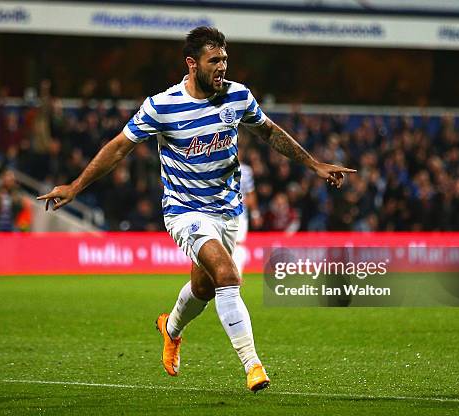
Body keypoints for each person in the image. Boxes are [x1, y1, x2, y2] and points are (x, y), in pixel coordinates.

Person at [37, 26, 355, 392]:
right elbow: (119, 147)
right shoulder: (162, 106)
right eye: (214, 60)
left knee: (203, 287)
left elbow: (268, 131)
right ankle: (253, 366)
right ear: (192, 64)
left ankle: (169, 328)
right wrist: (76, 186)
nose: (222, 67)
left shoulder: (237, 96)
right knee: (227, 274)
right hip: (185, 211)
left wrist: (315, 164)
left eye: (224, 59)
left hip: (229, 211)